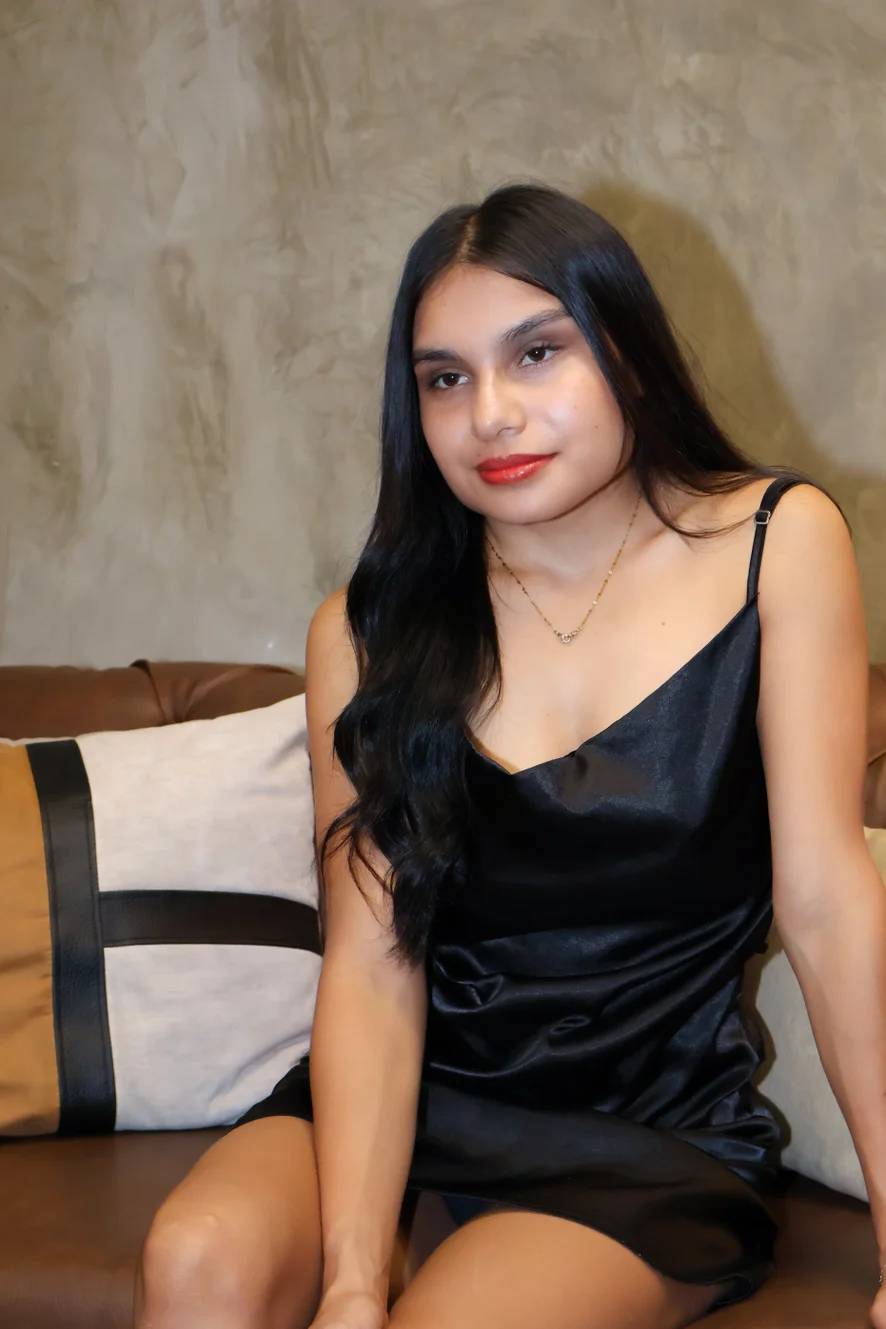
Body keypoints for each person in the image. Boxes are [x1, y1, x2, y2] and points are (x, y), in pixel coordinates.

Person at [135, 185, 886, 1329]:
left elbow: (828, 906)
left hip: (641, 1140)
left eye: (537, 353)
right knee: (196, 1261)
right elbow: (371, 965)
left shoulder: (777, 545)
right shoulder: (366, 634)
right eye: (444, 378)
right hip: (415, 1100)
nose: (489, 414)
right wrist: (351, 1281)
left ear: (628, 353)